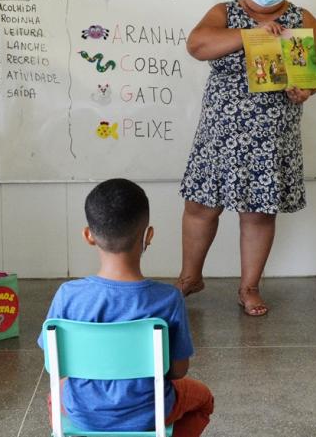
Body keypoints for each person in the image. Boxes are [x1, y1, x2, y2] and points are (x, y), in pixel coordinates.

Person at [177, 0, 316, 316]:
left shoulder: (300, 18)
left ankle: (249, 288)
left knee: (260, 212)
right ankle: (189, 278)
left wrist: (310, 87)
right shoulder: (225, 13)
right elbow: (198, 45)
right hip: (220, 131)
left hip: (272, 133)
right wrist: (254, 35)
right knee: (201, 205)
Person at [39, 179, 213, 436]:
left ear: (88, 235)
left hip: (84, 414)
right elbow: (178, 371)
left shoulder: (68, 295)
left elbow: (54, 366)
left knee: (57, 395)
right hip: (149, 414)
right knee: (203, 398)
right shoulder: (168, 299)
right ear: (148, 236)